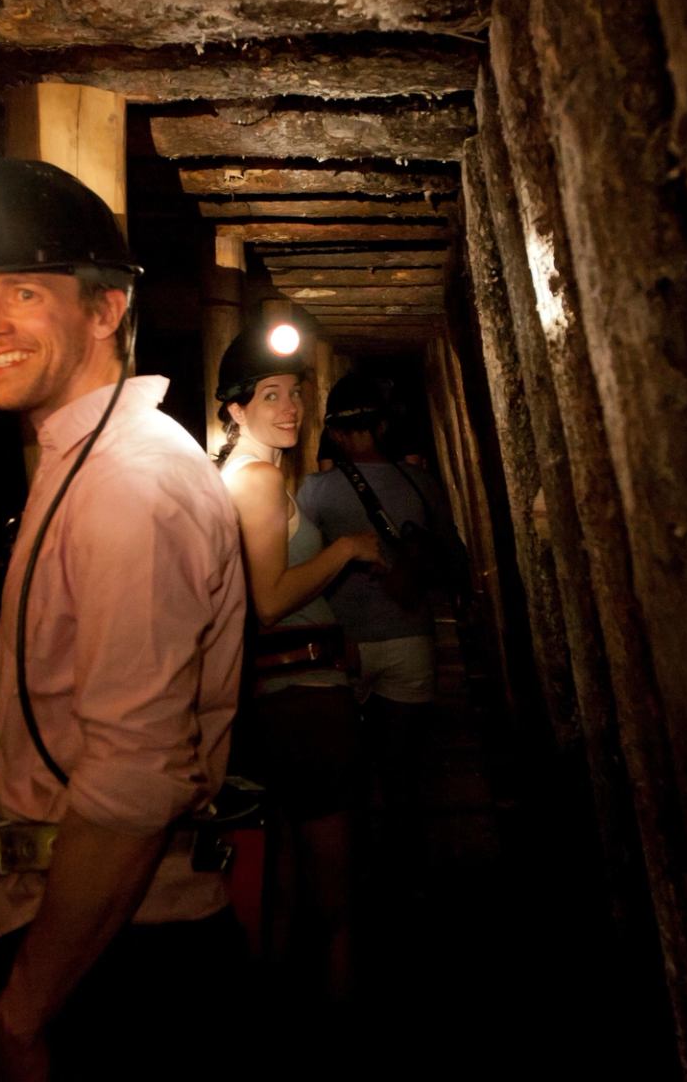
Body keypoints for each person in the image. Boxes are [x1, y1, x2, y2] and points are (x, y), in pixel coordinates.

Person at [0, 159, 248, 1080]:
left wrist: (26, 1011)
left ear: (106, 310)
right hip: (85, 928)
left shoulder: (128, 486)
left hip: (116, 961)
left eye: (24, 292)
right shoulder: (87, 462)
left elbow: (130, 784)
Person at [212, 323, 381, 1005]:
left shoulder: (249, 473)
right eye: (271, 394)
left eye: (297, 394)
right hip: (302, 705)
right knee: (337, 899)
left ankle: (278, 1024)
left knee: (283, 882)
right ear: (235, 409)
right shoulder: (253, 479)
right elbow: (272, 600)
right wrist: (347, 551)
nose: (290, 408)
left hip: (284, 701)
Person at [297, 371, 464, 895]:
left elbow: (297, 562)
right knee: (401, 769)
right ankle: (406, 876)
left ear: (338, 435)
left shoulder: (316, 491)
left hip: (339, 644)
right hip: (408, 637)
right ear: (384, 426)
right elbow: (451, 550)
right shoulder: (420, 482)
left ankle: (354, 876)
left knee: (348, 769)